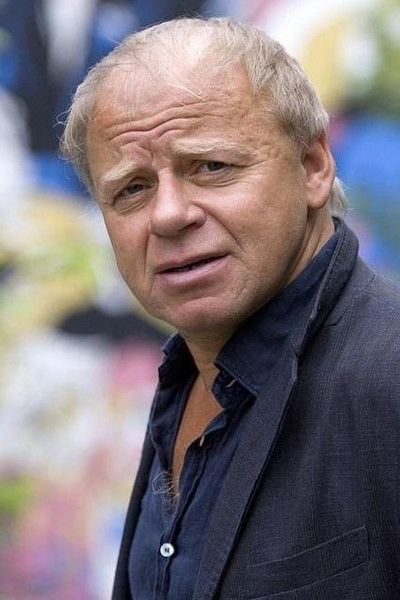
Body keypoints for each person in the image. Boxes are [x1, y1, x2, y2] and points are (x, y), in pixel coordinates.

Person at [61, 17, 400, 600]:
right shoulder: (190, 378)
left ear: (314, 166)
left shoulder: (387, 376)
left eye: (211, 167)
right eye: (132, 189)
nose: (169, 214)